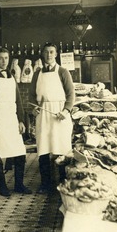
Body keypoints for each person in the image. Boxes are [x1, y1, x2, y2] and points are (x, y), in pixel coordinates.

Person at [0, 47, 32, 197]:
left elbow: (18, 101)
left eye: (6, 58)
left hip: (11, 121)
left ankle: (18, 185)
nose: (4, 61)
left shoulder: (11, 77)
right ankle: (2, 186)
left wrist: (21, 120)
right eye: (1, 58)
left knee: (20, 153)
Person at [29, 42, 75, 194]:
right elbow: (31, 95)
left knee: (61, 148)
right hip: (43, 113)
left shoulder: (63, 71)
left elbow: (71, 94)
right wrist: (34, 107)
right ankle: (45, 184)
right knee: (43, 149)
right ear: (43, 54)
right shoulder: (37, 73)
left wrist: (66, 110)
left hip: (60, 113)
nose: (49, 55)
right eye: (46, 52)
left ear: (56, 54)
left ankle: (62, 183)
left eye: (52, 52)